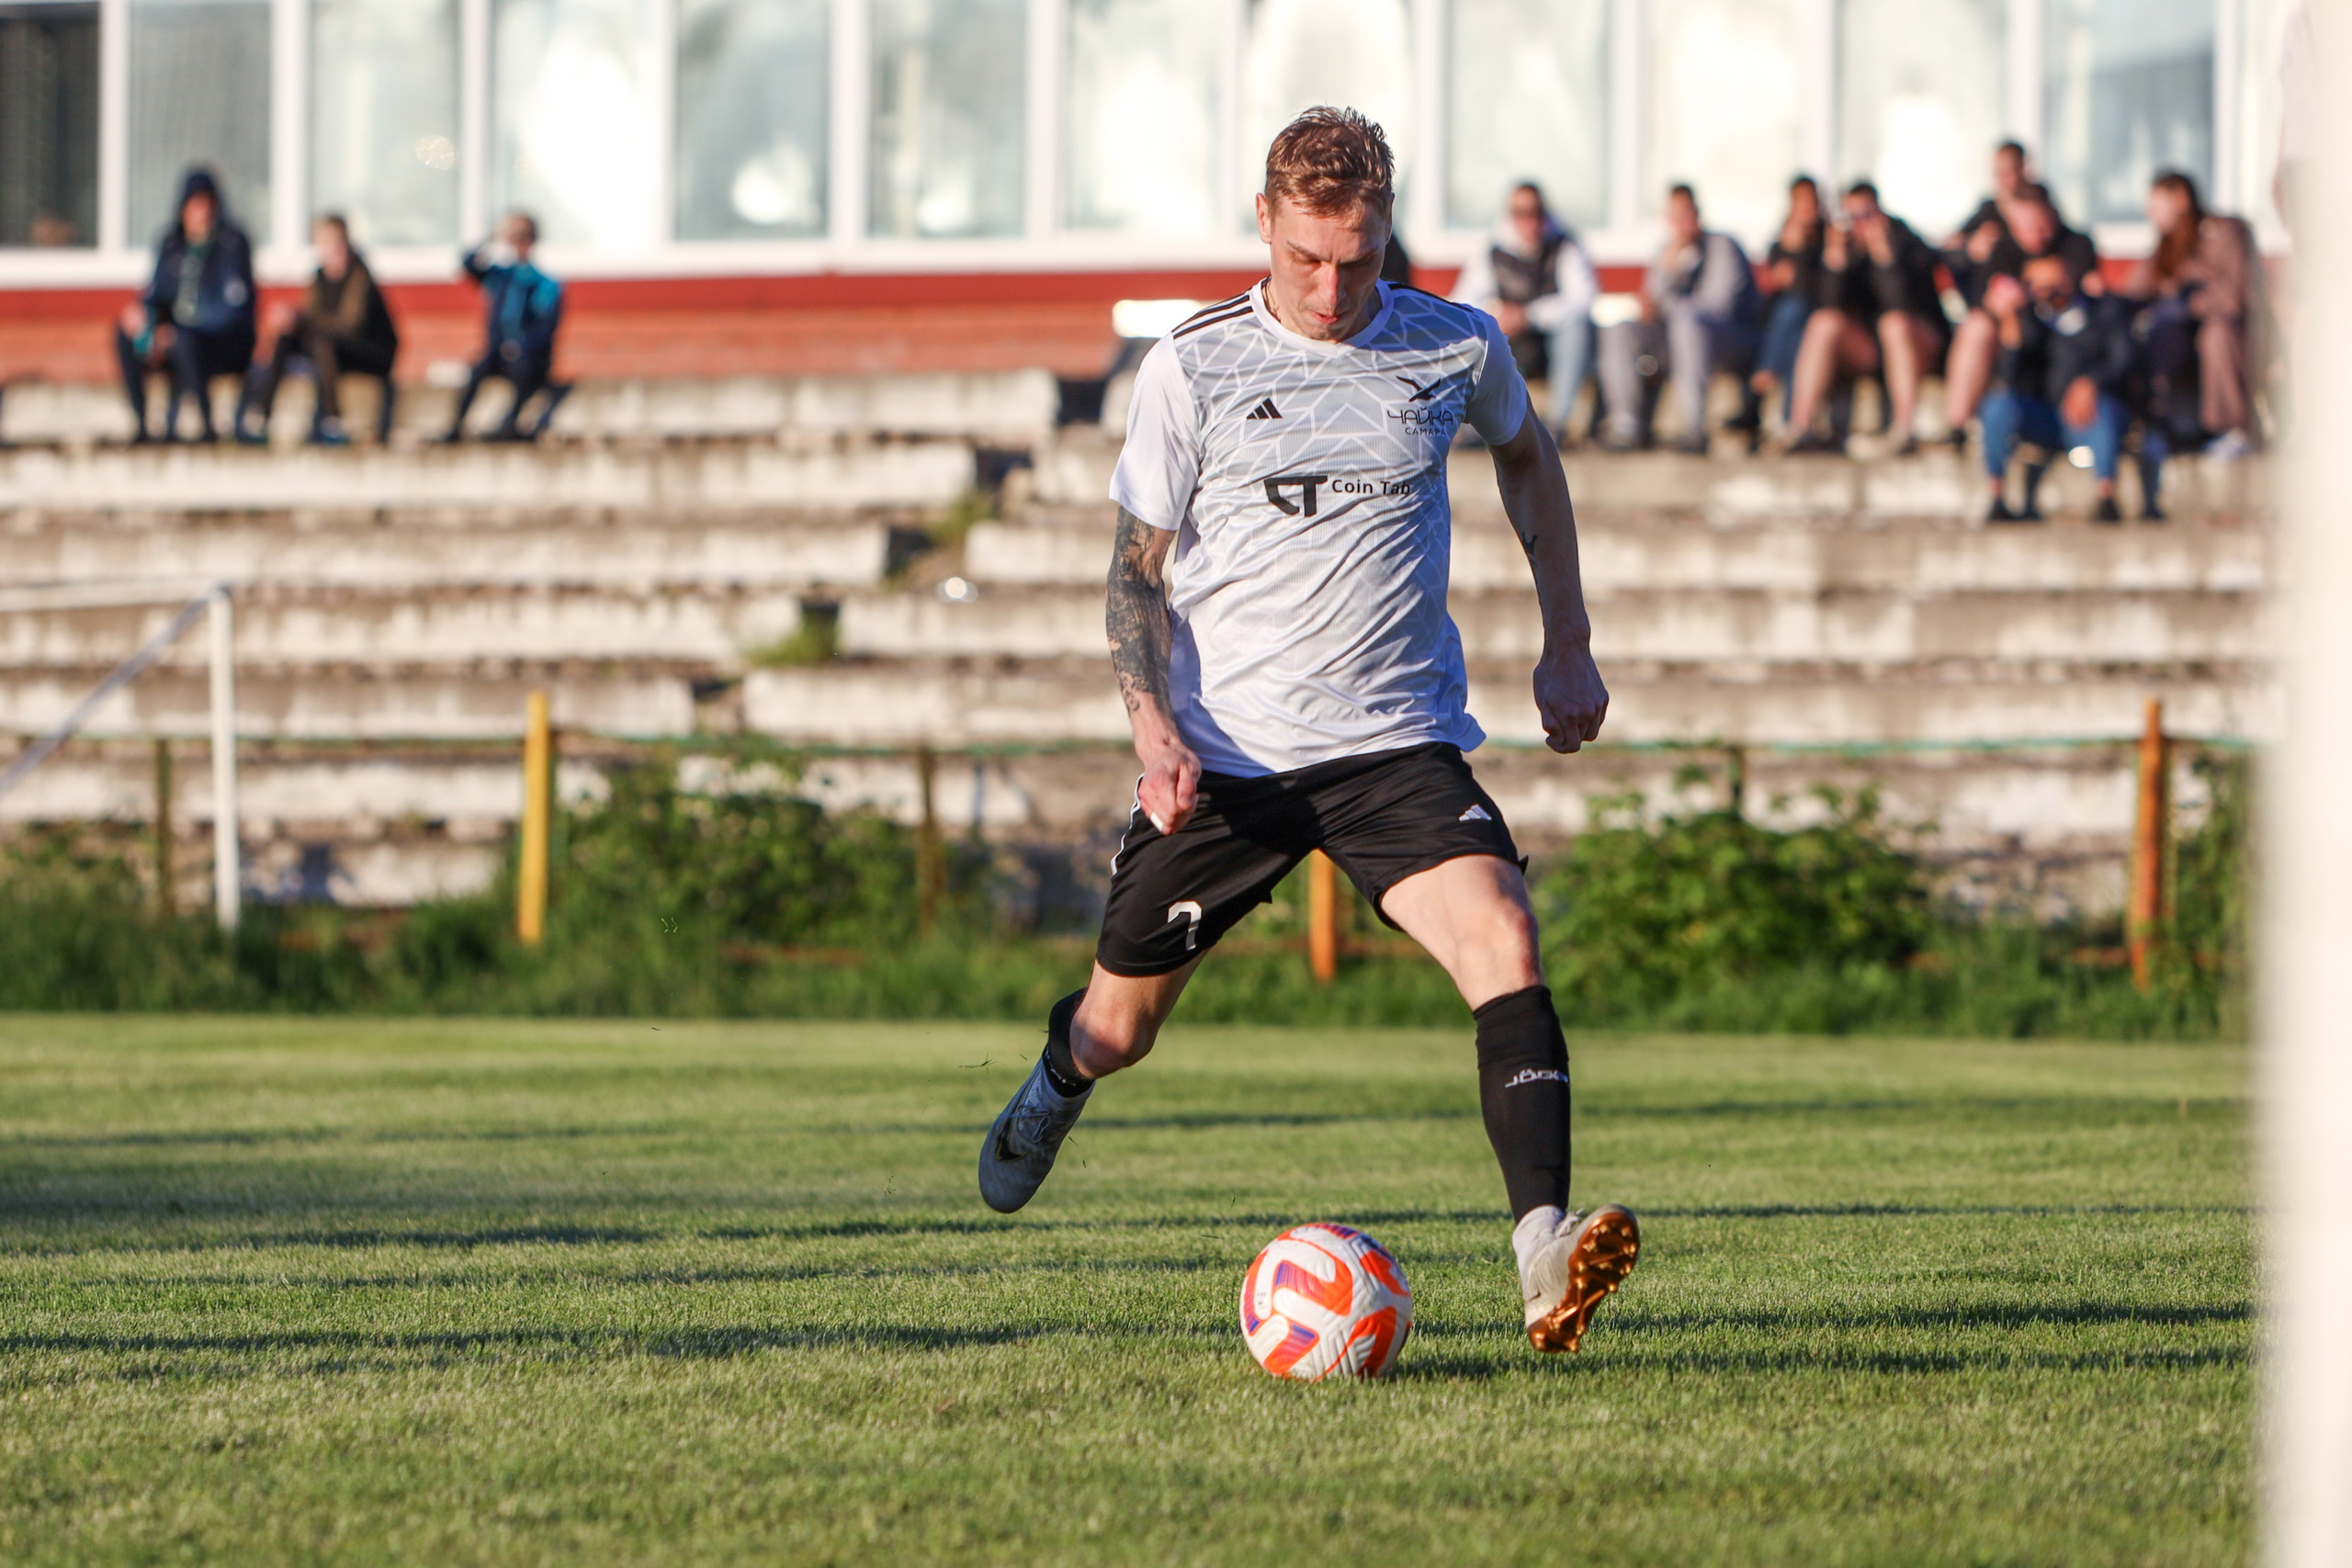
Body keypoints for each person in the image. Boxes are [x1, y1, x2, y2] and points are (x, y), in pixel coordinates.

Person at [976, 107, 1640, 1357]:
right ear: (1266, 224)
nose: (1334, 289)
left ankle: (1544, 1248)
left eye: (1361, 258)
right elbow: (1134, 572)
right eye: (1309, 260)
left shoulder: (1453, 345)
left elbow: (1529, 455)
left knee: (1503, 933)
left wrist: (1568, 638)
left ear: (1389, 233)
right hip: (1227, 761)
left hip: (1397, 745)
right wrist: (1153, 724)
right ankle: (1055, 1081)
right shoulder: (1192, 364)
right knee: (1119, 1029)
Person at [1978, 255, 2148, 524]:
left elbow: (2123, 359)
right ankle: (1997, 497)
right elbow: (2010, 379)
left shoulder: (2103, 311)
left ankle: (2106, 498)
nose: (2048, 291)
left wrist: (2090, 382)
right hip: (2043, 416)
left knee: (2103, 410)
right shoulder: (2029, 322)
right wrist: (2011, 325)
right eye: (2038, 284)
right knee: (1997, 406)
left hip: (2088, 416)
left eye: (2056, 282)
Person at [1783, 182, 1948, 455]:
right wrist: (1835, 259)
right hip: (1872, 350)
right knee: (1823, 323)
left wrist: (1885, 257)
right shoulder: (1843, 244)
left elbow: (1902, 305)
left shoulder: (1905, 241)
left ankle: (1904, 430)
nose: (1860, 224)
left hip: (1918, 343)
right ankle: (1800, 428)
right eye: (1852, 216)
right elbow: (1827, 304)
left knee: (1894, 325)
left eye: (1866, 215)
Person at [1595, 184, 1759, 454]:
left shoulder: (1723, 247)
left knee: (1687, 323)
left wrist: (1671, 283)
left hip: (1730, 340)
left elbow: (1717, 307)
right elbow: (1650, 308)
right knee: (1620, 329)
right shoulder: (1666, 252)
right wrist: (1665, 275)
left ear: (1697, 213)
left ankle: (1694, 428)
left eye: (1685, 214)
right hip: (1676, 340)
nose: (1680, 222)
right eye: (1674, 216)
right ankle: (1626, 425)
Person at [1942, 186, 2099, 444]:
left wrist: (2035, 284)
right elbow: (1985, 298)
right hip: (2015, 342)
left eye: (2041, 225)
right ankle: (1957, 425)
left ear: (2053, 215)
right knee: (1976, 326)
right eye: (2025, 227)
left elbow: (2078, 287)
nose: (2036, 235)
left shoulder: (2076, 243)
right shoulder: (2003, 249)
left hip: (2064, 346)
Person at [115, 168, 255, 443]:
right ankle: (142, 425)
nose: (201, 212)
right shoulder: (171, 243)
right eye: (195, 204)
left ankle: (206, 426)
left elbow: (232, 309)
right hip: (175, 339)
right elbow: (157, 294)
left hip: (221, 344)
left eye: (207, 204)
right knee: (124, 334)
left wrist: (176, 331)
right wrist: (145, 318)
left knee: (183, 340)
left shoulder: (232, 244)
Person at [1453, 182, 1598, 443]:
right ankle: (1477, 425)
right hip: (1511, 347)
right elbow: (1463, 303)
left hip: (1554, 346)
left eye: (1536, 212)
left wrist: (1529, 316)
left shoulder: (1565, 247)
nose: (1529, 221)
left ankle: (1557, 424)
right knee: (1479, 336)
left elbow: (1582, 300)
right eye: (1521, 213)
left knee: (1575, 329)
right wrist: (1498, 315)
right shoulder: (1491, 252)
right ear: (1510, 215)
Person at [235, 215, 400, 446]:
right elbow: (311, 316)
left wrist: (300, 319)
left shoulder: (359, 275)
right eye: (325, 242)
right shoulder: (320, 276)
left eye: (335, 241)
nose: (332, 248)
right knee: (287, 338)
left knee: (323, 343)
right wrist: (293, 320)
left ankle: (332, 421)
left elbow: (349, 325)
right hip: (334, 347)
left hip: (373, 351)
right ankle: (260, 415)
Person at [2126, 171, 2256, 460]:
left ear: (2180, 199)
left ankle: (2229, 430)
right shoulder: (2165, 249)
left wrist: (2190, 303)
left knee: (2216, 335)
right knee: (2149, 334)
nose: (2151, 214)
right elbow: (2135, 292)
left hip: (2230, 332)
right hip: (2177, 338)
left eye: (2157, 205)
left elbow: (2237, 294)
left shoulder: (2225, 232)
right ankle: (2157, 424)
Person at [443, 210, 566, 442]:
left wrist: (520, 346)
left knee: (523, 369)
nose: (518, 244)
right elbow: (467, 263)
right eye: (514, 237)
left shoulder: (545, 283)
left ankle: (509, 426)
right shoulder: (500, 277)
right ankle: (456, 427)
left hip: (529, 356)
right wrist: (493, 236)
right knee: (477, 370)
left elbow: (546, 328)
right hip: (498, 354)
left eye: (523, 237)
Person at [1746, 175, 1826, 437]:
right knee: (1794, 332)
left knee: (1796, 314)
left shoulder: (1827, 242)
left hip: (1815, 318)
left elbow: (1811, 290)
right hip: (1783, 325)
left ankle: (1762, 379)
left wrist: (1799, 253)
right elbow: (1772, 287)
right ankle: (1791, 420)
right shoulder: (1780, 243)